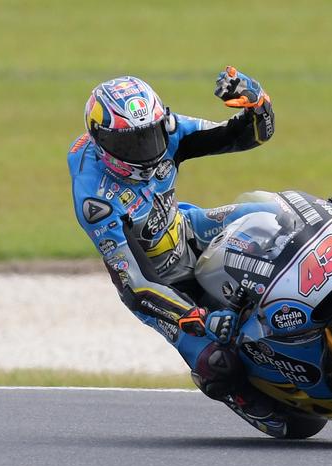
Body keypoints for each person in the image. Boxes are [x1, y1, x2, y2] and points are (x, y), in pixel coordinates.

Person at [67, 67, 286, 436]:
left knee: (269, 215)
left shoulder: (168, 131)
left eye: (149, 135)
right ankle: (243, 399)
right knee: (218, 363)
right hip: (157, 284)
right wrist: (193, 315)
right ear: (102, 142)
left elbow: (246, 136)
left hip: (187, 229)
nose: (146, 150)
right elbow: (134, 285)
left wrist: (256, 103)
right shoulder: (94, 197)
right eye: (130, 143)